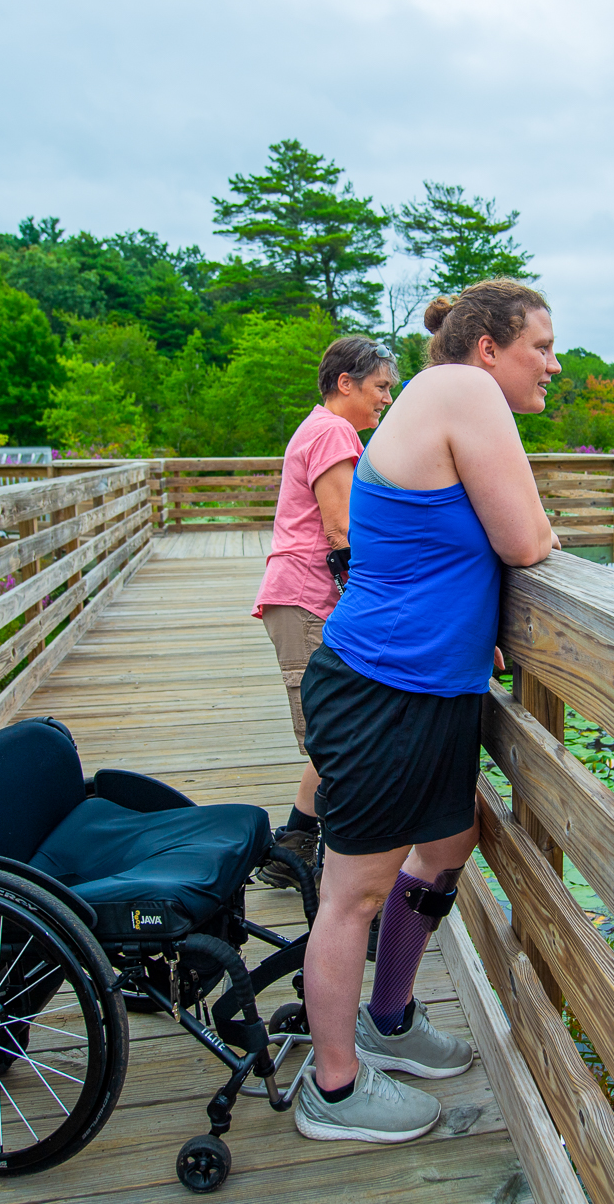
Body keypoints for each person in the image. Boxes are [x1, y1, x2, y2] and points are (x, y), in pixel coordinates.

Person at [292, 279, 561, 1144]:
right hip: (379, 687)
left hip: (434, 688)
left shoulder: (442, 398)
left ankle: (391, 1019)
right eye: (541, 348)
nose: (553, 365)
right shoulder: (459, 389)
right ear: (489, 349)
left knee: (446, 850)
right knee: (354, 890)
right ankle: (331, 1090)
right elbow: (525, 539)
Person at [252, 336, 399, 890]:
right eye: (380, 387)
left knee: (334, 732)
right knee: (337, 739)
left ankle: (290, 852)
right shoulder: (334, 431)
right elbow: (341, 532)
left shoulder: (318, 427)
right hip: (308, 598)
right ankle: (337, 882)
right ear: (346, 383)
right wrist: (375, 604)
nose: (387, 398)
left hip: (302, 597)